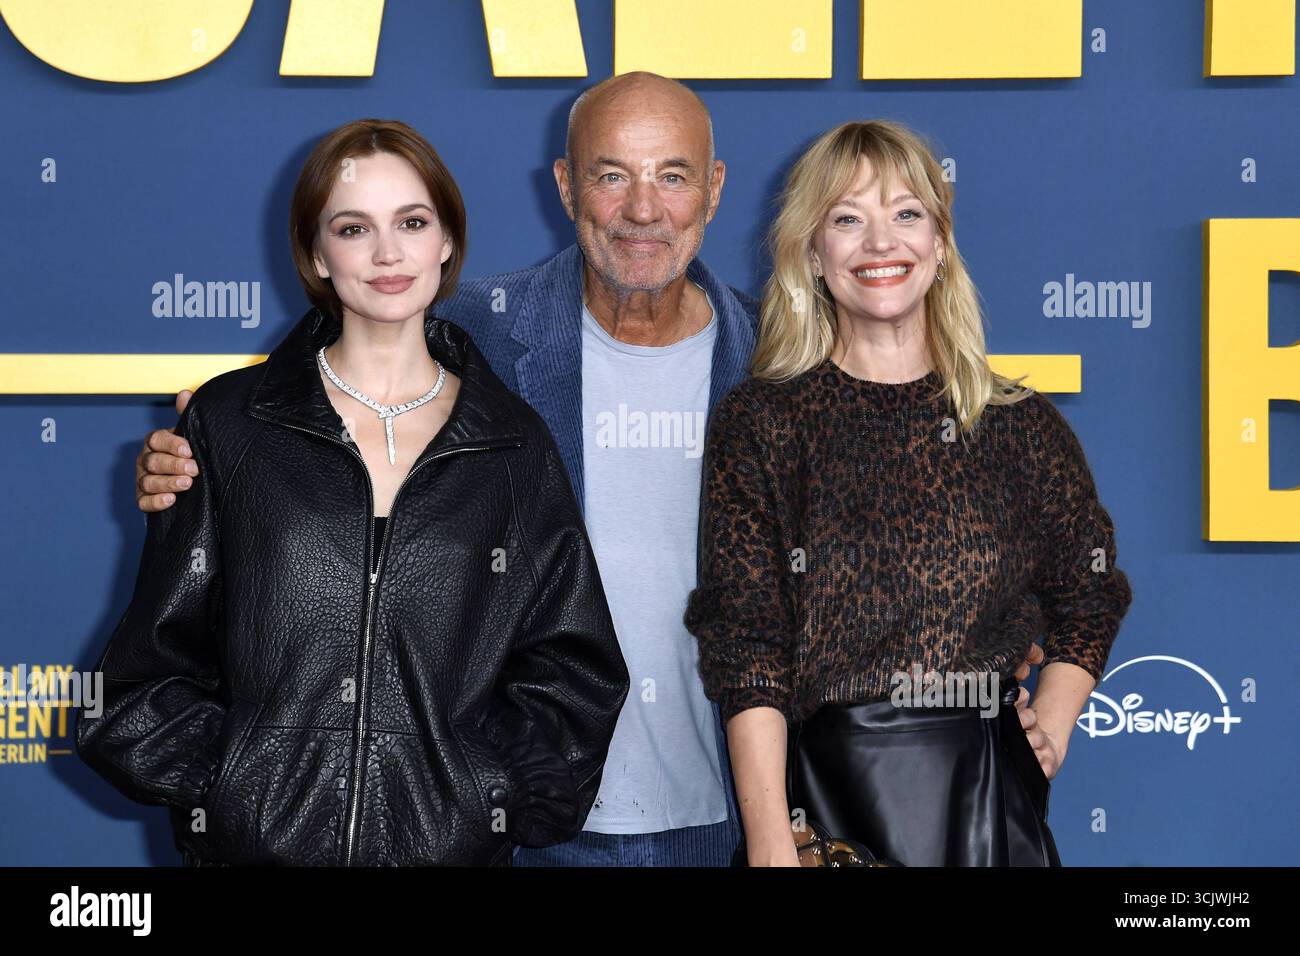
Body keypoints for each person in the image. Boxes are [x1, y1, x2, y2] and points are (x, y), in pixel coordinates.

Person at [130, 74, 1042, 867]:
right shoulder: (477, 336)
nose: (643, 208)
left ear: (714, 190)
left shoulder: (787, 362)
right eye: (612, 174)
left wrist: (989, 632)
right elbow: (342, 358)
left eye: (672, 175)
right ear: (567, 186)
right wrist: (210, 443)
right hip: (526, 831)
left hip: (742, 821)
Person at [76, 119, 629, 866]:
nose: (388, 253)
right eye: (352, 227)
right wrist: (236, 786)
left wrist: (484, 793)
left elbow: (574, 672)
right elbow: (145, 676)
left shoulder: (512, 443)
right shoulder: (231, 426)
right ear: (316, 253)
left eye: (411, 221)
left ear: (446, 242)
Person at [684, 119, 1134, 867]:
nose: (880, 242)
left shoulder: (1017, 426)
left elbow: (1090, 592)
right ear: (813, 254)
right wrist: (769, 841)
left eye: (906, 214)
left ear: (941, 242)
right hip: (830, 804)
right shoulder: (763, 423)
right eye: (847, 219)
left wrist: (1048, 725)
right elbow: (748, 650)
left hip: (989, 805)